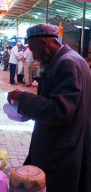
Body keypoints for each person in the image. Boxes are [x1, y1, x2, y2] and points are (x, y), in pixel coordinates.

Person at [7, 24, 91, 192]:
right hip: (65, 139)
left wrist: (24, 98)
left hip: (62, 146)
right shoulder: (67, 59)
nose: (35, 56)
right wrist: (31, 108)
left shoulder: (67, 63)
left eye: (33, 49)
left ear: (44, 43)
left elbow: (60, 110)